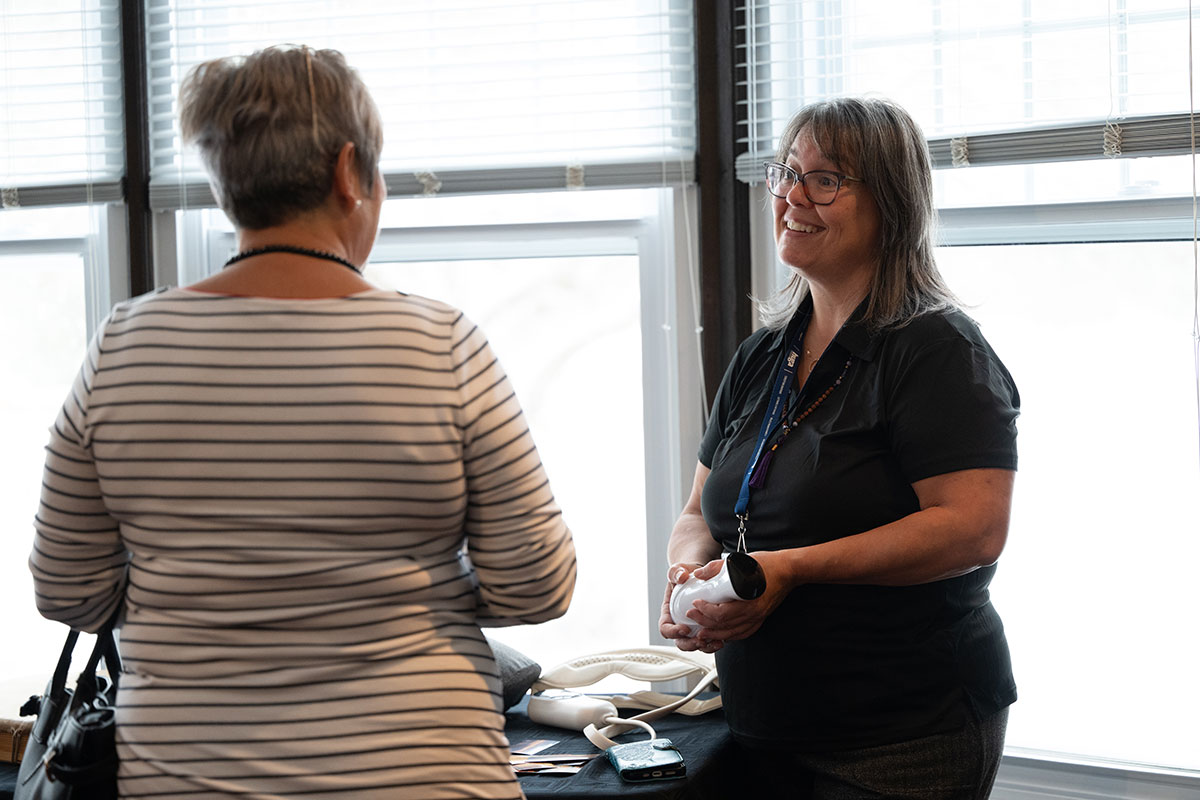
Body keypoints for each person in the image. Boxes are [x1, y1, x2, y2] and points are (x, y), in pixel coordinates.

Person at [29, 45, 576, 799]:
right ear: (349, 172)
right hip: (421, 774)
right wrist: (391, 582)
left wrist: (210, 583)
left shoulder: (124, 348)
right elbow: (538, 586)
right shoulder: (441, 345)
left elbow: (68, 592)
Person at [659, 96, 1019, 799]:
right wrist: (686, 579)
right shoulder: (763, 354)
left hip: (899, 736)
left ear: (891, 203)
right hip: (760, 726)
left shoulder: (937, 349)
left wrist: (786, 569)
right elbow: (700, 512)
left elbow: (973, 528)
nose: (793, 196)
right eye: (787, 173)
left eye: (826, 180)